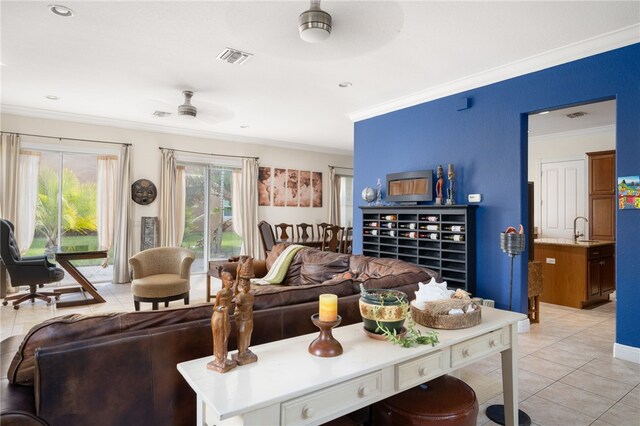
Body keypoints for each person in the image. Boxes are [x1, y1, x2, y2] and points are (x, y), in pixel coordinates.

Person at [207, 271, 237, 373]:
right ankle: (218, 359)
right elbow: (214, 307)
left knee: (225, 337)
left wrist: (228, 307)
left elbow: (230, 304)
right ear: (224, 282)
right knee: (219, 338)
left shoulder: (230, 292)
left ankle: (224, 358)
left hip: (226, 316)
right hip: (218, 318)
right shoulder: (220, 293)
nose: (232, 282)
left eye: (232, 280)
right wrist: (221, 308)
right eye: (229, 281)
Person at [233, 259, 258, 365]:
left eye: (248, 283)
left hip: (249, 319)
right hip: (242, 319)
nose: (246, 286)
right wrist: (237, 277)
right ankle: (242, 352)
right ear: (241, 284)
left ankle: (246, 349)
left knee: (248, 334)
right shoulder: (240, 297)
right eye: (244, 283)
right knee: (242, 335)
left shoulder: (250, 296)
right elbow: (235, 293)